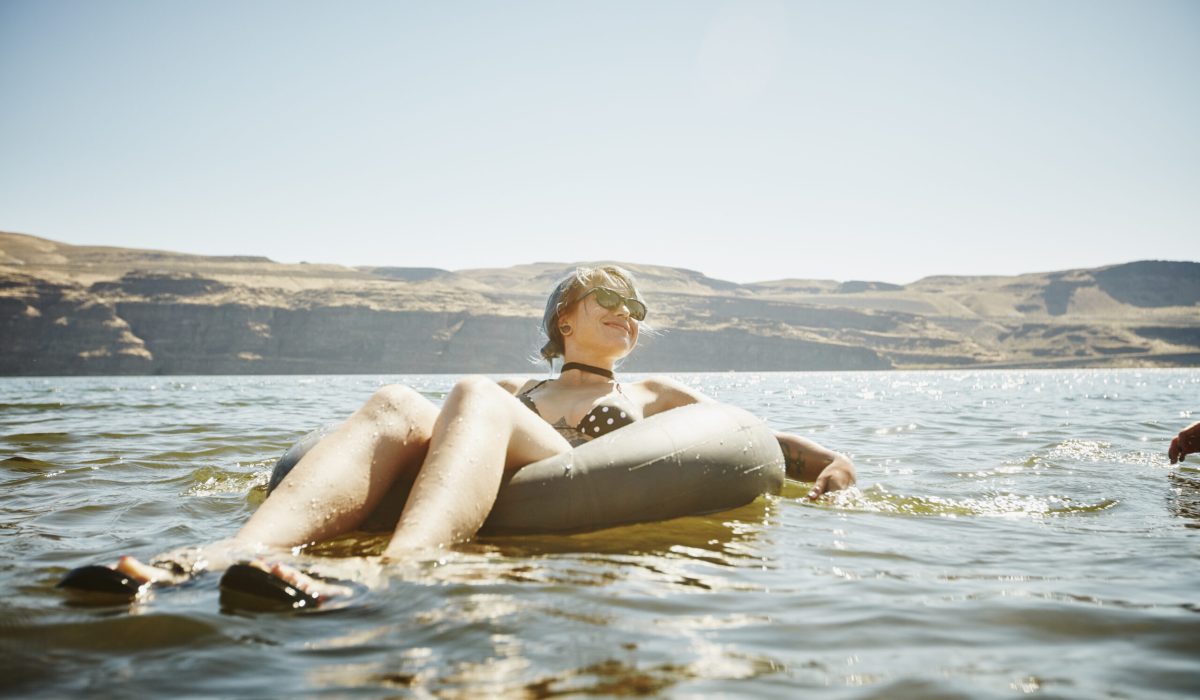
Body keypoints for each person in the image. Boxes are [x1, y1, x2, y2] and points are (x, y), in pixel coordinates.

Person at [99, 265, 856, 599]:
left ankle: (402, 568)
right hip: (500, 473)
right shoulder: (508, 389)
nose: (630, 314)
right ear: (564, 317)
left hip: (586, 484)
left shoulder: (655, 392)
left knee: (474, 393)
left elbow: (769, 446)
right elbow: (432, 440)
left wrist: (836, 467)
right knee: (398, 401)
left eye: (639, 310)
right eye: (612, 299)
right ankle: (227, 554)